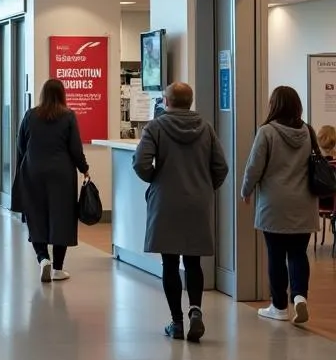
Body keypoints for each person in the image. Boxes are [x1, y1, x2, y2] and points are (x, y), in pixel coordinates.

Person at [132, 82, 229, 341]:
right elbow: (221, 167)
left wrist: (157, 180)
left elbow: (141, 163)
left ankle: (176, 323)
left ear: (167, 101)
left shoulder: (156, 127)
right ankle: (195, 311)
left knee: (171, 263)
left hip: (166, 202)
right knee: (194, 261)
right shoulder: (206, 128)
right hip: (198, 202)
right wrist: (206, 188)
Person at [241, 85, 316, 325]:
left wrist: (246, 190)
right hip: (304, 203)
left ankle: (279, 306)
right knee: (298, 254)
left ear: (274, 105)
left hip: (274, 204)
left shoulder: (267, 132)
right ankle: (300, 297)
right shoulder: (308, 131)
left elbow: (254, 166)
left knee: (275, 256)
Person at [12, 79, 89, 282]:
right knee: (61, 217)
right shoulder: (68, 116)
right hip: (61, 174)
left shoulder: (30, 115)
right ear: (62, 94)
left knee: (35, 215)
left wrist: (24, 166)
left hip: (33, 171)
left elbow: (20, 144)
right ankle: (57, 269)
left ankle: (42, 258)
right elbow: (75, 149)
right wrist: (84, 168)